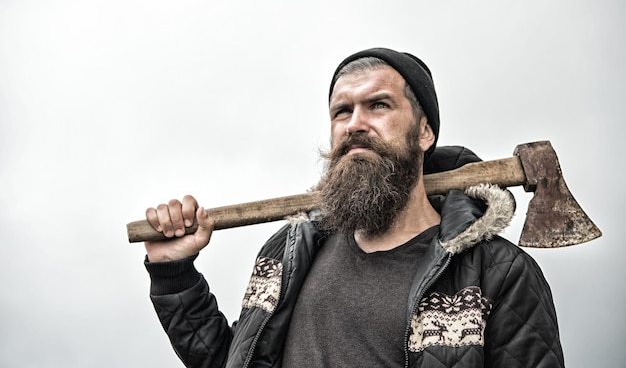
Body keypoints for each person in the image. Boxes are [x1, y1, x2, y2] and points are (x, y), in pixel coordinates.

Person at [142, 48, 565, 368]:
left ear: (424, 133)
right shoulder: (289, 251)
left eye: (378, 105)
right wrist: (173, 274)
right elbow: (234, 360)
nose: (354, 123)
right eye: (341, 111)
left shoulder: (495, 273)